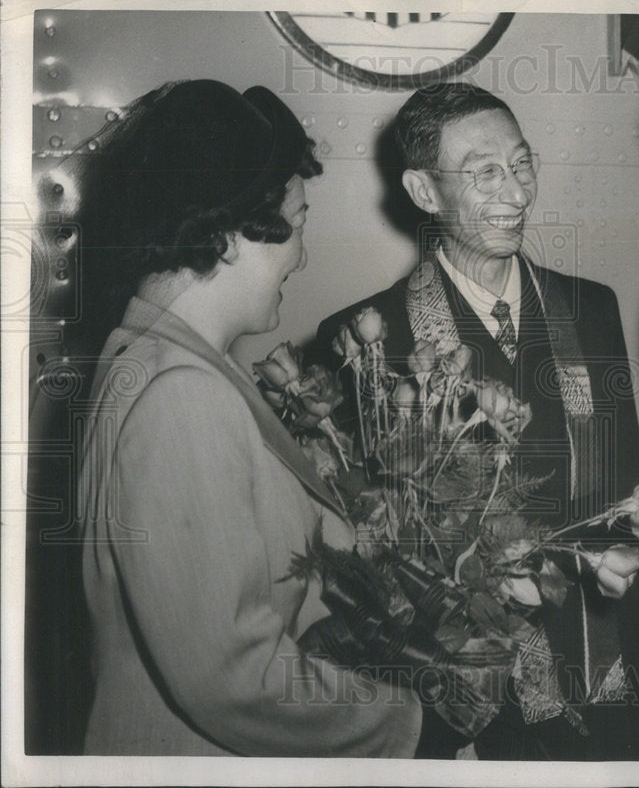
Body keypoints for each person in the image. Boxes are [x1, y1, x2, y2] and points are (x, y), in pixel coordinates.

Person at [309, 83, 639, 760]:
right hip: (467, 694)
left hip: (608, 666)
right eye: (485, 173)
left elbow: (624, 498)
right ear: (424, 192)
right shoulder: (368, 339)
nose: (517, 193)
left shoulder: (590, 309)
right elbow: (368, 552)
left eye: (522, 164)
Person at [72, 79, 424, 755]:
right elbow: (234, 677)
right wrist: (404, 719)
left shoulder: (163, 362)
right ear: (230, 231)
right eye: (297, 220)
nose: (302, 253)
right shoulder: (181, 397)